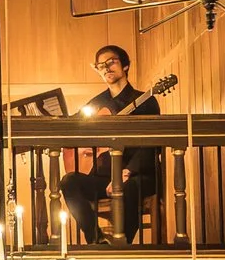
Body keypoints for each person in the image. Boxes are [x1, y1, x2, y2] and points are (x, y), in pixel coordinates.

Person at [57, 44, 162, 245]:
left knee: (129, 188)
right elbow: (73, 126)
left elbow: (151, 145)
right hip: (104, 176)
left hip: (138, 175)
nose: (106, 68)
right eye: (101, 66)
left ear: (125, 65)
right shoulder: (97, 103)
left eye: (111, 62)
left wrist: (127, 172)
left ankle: (121, 246)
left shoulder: (145, 101)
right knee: (69, 181)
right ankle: (96, 240)